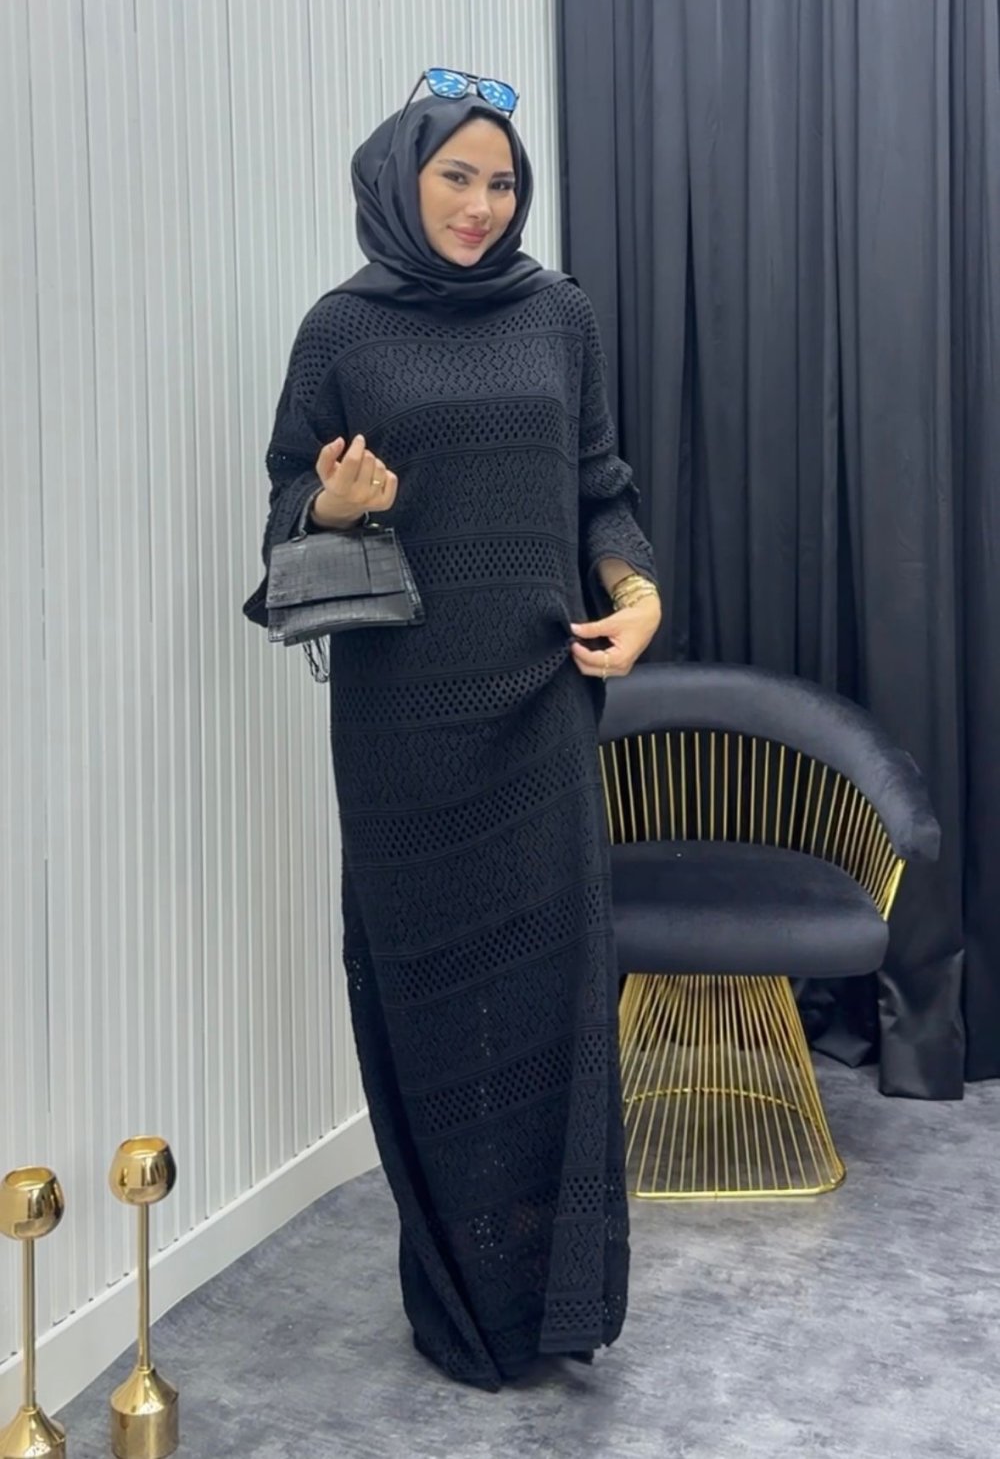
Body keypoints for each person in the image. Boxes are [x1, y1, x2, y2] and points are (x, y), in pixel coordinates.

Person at [248, 70, 661, 1390]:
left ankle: (557, 1292)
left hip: (541, 704)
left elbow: (600, 489)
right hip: (402, 727)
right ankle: (457, 1293)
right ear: (401, 180)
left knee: (553, 1002)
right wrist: (333, 506)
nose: (483, 205)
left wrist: (639, 595)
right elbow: (286, 512)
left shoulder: (560, 316)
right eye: (458, 178)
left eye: (503, 183)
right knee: (429, 1006)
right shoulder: (341, 331)